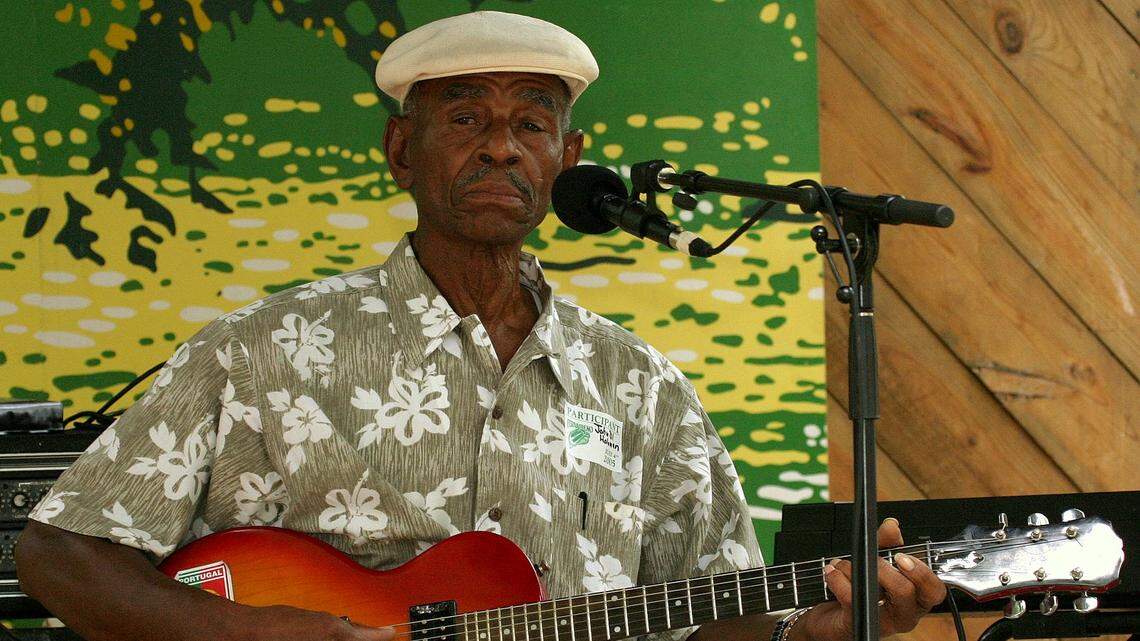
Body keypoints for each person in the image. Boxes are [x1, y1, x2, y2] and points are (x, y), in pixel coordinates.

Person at [15, 11, 944, 641]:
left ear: (566, 159)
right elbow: (59, 553)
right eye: (466, 116)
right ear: (399, 150)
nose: (501, 143)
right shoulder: (259, 349)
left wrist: (818, 622)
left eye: (531, 122)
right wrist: (251, 630)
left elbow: (714, 609)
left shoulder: (640, 386)